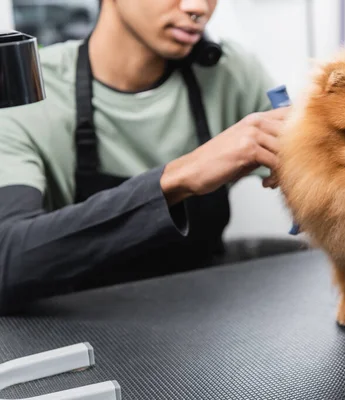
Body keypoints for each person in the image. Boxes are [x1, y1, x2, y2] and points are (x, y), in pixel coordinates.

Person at [0, 0, 300, 313]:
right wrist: (178, 178)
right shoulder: (30, 91)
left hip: (211, 320)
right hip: (83, 328)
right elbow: (7, 258)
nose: (198, 7)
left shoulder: (229, 73)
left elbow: (317, 157)